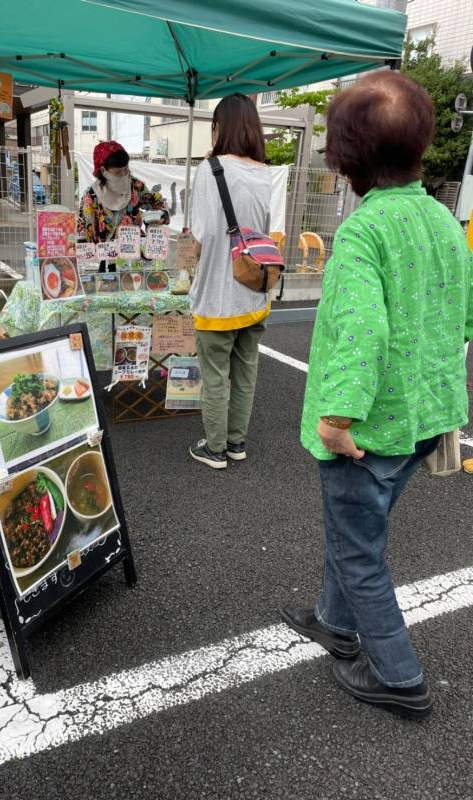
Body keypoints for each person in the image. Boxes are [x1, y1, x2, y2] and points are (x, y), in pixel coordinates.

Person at [281, 71, 473, 719]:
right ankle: (334, 622)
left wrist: (336, 422)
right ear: (420, 147)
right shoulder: (447, 224)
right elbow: (464, 319)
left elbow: (361, 336)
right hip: (426, 419)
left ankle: (398, 676)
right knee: (356, 529)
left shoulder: (363, 234)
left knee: (360, 550)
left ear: (347, 160)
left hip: (365, 429)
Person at [189, 93, 275, 469]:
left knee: (213, 377)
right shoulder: (265, 173)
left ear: (219, 127)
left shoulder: (209, 170)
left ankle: (215, 448)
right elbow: (271, 232)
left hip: (217, 297)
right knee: (245, 374)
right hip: (255, 293)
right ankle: (236, 443)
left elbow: (200, 237)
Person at [78, 141, 169, 272]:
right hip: (107, 264)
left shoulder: (136, 186)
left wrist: (161, 215)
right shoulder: (91, 196)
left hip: (136, 261)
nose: (124, 174)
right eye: (118, 172)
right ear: (104, 171)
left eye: (126, 169)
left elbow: (158, 204)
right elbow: (85, 235)